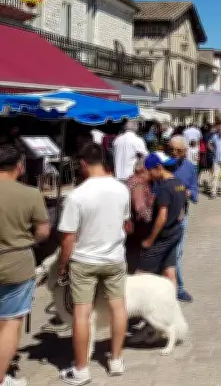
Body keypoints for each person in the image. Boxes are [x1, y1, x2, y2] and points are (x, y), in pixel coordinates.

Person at [57, 143, 131, 384]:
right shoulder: (122, 189)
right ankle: (116, 359)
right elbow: (126, 224)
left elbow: (68, 237)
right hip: (114, 258)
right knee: (118, 307)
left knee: (81, 313)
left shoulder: (76, 195)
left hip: (84, 260)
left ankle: (81, 369)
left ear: (83, 164)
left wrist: (62, 265)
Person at [0, 145, 50, 386]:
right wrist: (28, 240)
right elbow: (43, 231)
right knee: (10, 322)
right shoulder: (31, 194)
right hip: (16, 262)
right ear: (19, 167)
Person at [137, 152, 186, 289]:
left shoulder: (164, 188)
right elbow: (181, 212)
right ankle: (172, 304)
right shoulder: (179, 183)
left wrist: (150, 240)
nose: (150, 176)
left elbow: (162, 217)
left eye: (150, 172)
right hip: (176, 232)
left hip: (162, 236)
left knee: (141, 273)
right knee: (170, 271)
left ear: (158, 167)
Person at [169, 137, 198, 303]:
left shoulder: (190, 168)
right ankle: (172, 288)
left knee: (177, 253)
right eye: (171, 149)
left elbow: (194, 189)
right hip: (163, 215)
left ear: (185, 151)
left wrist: (189, 193)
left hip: (181, 215)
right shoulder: (163, 164)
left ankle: (178, 288)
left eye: (178, 150)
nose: (174, 153)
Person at [124, 161, 154, 276]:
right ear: (143, 171)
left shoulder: (130, 180)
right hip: (139, 229)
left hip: (131, 228)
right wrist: (151, 218)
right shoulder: (138, 184)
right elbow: (139, 207)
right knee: (136, 260)